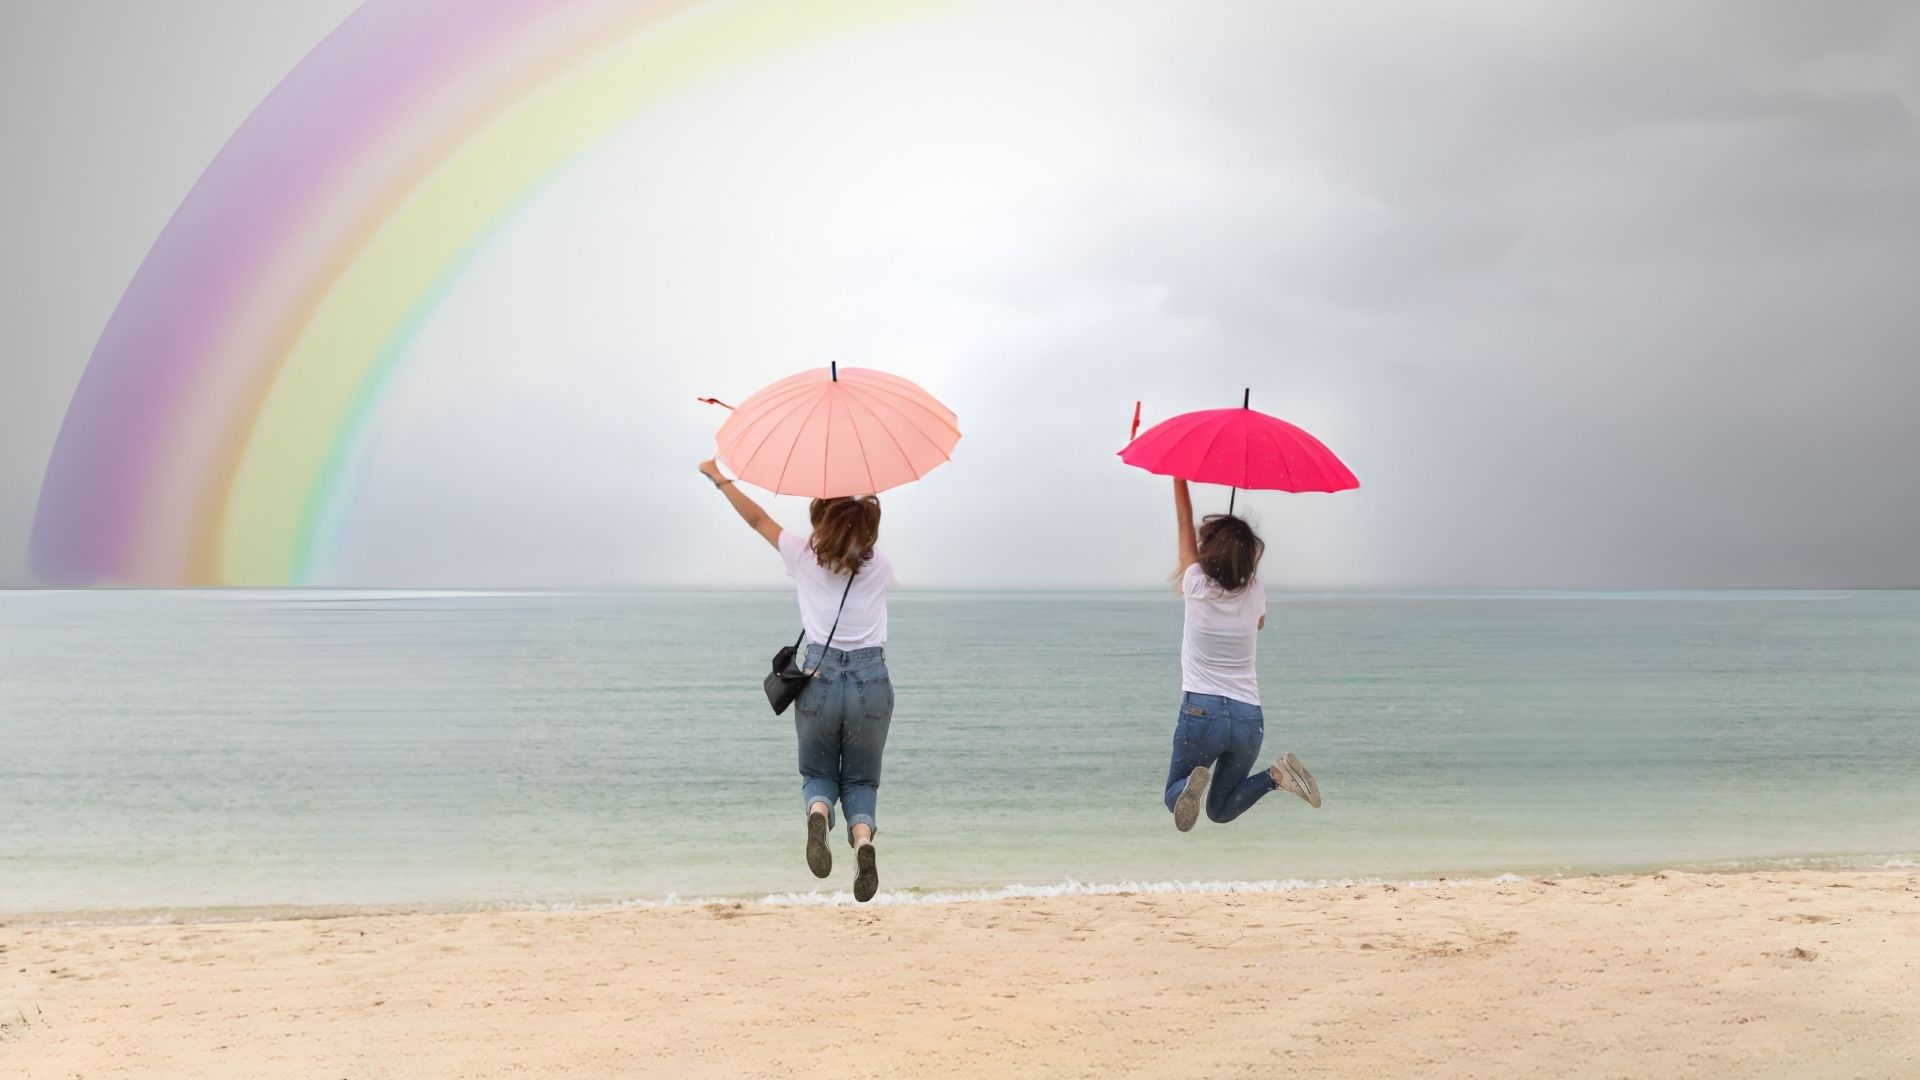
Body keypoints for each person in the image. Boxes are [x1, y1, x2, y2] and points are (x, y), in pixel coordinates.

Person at [699, 459, 897, 902]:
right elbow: (859, 539)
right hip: (870, 678)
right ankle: (863, 842)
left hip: (819, 676)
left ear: (821, 516)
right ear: (868, 524)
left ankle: (818, 812)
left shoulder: (803, 554)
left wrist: (720, 476)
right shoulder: (880, 565)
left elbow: (757, 519)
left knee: (818, 771)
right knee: (862, 779)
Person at [1162, 478, 1321, 831]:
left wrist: (1179, 478)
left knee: (1173, 794)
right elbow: (1258, 624)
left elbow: (1184, 521)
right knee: (1220, 810)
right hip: (1248, 718)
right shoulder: (1255, 591)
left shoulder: (1196, 583)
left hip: (1202, 713)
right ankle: (1277, 775)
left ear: (1210, 549)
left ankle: (1188, 787)